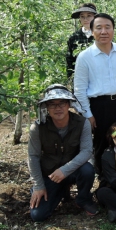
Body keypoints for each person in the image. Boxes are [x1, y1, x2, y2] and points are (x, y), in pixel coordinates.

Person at [74, 13, 116, 169]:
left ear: (113, 30)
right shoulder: (84, 57)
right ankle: (104, 179)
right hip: (99, 106)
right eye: (99, 28)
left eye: (107, 27)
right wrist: (88, 114)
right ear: (92, 31)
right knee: (102, 142)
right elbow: (79, 89)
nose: (104, 31)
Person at [28, 84, 97, 222]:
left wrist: (65, 170)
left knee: (87, 170)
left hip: (72, 170)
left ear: (69, 105)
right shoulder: (37, 127)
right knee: (38, 215)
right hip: (50, 175)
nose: (58, 108)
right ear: (46, 107)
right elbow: (33, 157)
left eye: (62, 103)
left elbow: (87, 151)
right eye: (52, 104)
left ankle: (83, 199)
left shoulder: (82, 123)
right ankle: (58, 191)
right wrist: (39, 186)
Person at [66, 3, 97, 79]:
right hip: (80, 78)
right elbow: (69, 61)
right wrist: (71, 78)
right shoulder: (74, 37)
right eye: (82, 16)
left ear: (95, 17)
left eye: (89, 16)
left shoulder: (101, 35)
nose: (85, 19)